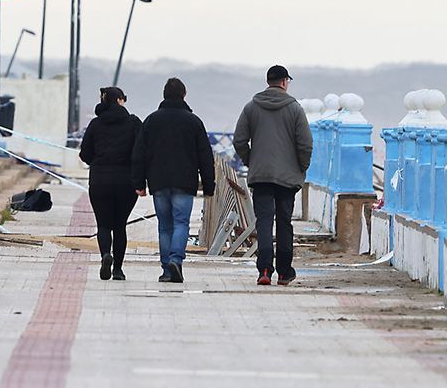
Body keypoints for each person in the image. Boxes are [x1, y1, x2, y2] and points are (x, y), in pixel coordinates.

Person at [233, 64, 313, 286]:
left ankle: (265, 270)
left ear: (268, 81)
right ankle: (285, 272)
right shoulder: (295, 109)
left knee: (264, 222)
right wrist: (301, 167)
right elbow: (305, 144)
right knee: (284, 222)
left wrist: (251, 161)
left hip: (261, 177)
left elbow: (239, 140)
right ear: (285, 82)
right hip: (287, 178)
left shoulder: (251, 107)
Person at [132, 77, 215, 283]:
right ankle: (176, 260)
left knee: (164, 226)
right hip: (184, 182)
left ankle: (166, 270)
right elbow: (205, 156)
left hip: (158, 182)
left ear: (164, 95)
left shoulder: (151, 120)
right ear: (184, 96)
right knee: (181, 223)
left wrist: (139, 183)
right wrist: (209, 185)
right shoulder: (194, 122)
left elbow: (139, 154)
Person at [79, 86, 143, 281]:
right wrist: (141, 179)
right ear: (119, 100)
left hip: (100, 181)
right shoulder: (133, 123)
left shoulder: (95, 124)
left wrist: (98, 163)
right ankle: (118, 270)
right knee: (120, 225)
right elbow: (141, 152)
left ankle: (106, 254)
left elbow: (85, 153)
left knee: (104, 225)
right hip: (126, 182)